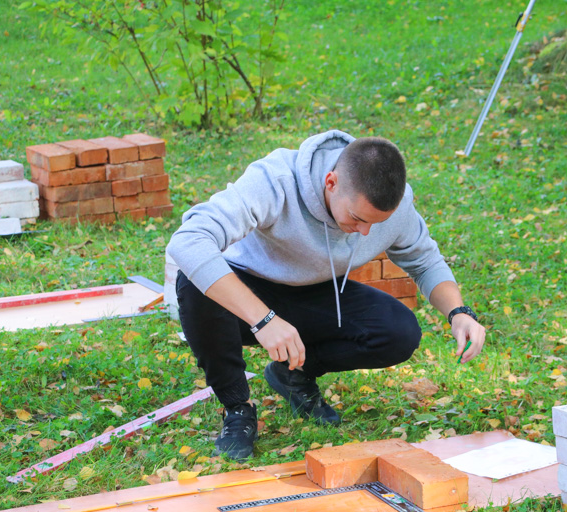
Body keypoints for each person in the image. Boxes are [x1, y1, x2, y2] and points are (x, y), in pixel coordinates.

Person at [166, 130, 486, 461]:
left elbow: (425, 260)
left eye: (376, 224)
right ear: (331, 183)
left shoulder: (395, 206)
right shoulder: (276, 179)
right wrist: (264, 319)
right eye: (359, 219)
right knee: (193, 283)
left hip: (318, 293)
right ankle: (238, 408)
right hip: (246, 292)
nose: (365, 233)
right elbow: (188, 241)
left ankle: (294, 374)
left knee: (398, 332)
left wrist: (458, 311)